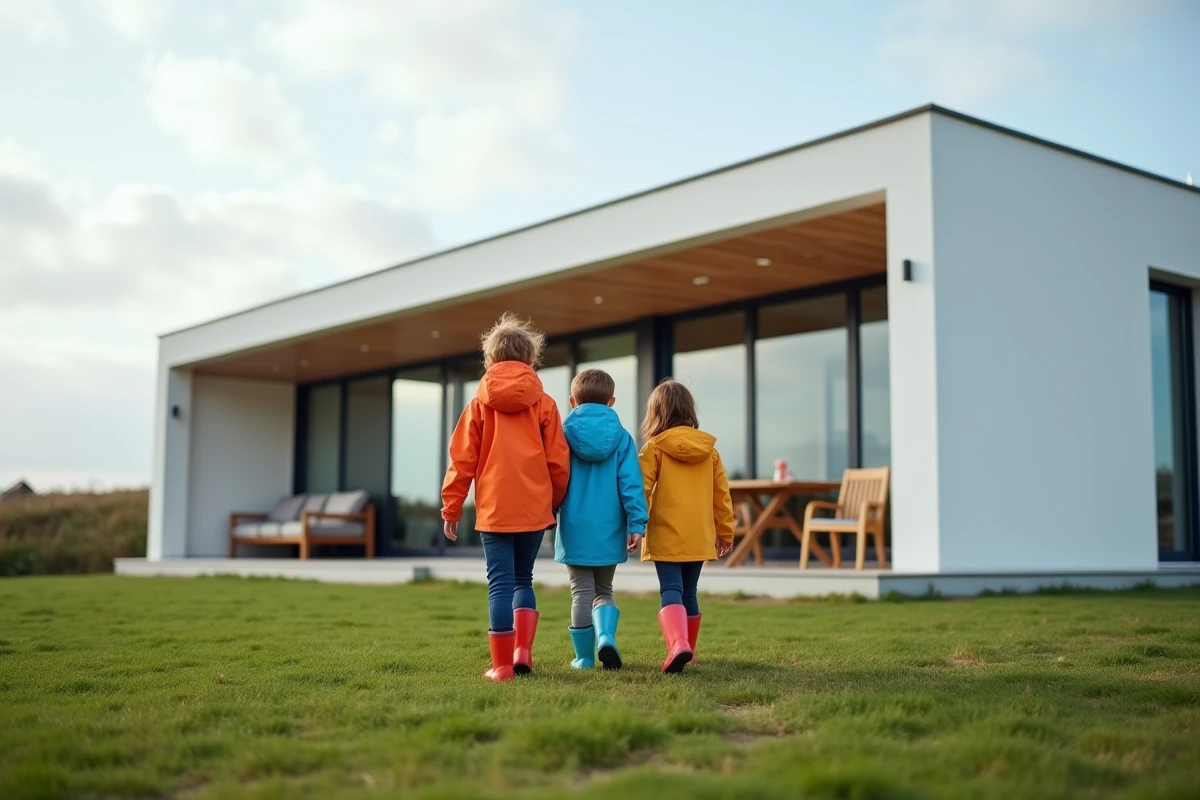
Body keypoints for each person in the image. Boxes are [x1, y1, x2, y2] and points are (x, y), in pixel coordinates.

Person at [441, 314, 570, 682]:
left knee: (500, 583)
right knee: (523, 580)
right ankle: (522, 654)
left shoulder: (479, 405)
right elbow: (558, 460)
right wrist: (555, 500)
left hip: (494, 510)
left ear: (489, 360)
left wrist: (451, 507)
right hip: (534, 508)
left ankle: (501, 667)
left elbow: (461, 460)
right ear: (531, 359)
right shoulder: (544, 403)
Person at [638, 379, 736, 674]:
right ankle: (688, 652)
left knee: (670, 588)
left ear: (656, 413)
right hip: (699, 534)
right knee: (689, 591)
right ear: (689, 410)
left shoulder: (654, 447)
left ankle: (678, 645)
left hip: (667, 533)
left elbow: (640, 489)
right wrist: (725, 531)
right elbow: (722, 497)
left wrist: (636, 524)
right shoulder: (710, 451)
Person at [554, 368, 648, 670]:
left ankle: (583, 658)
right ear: (612, 401)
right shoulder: (622, 438)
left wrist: (548, 511)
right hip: (610, 527)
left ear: (572, 401)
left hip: (573, 526)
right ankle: (606, 636)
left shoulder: (561, 436)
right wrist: (637, 523)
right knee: (604, 590)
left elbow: (554, 478)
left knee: (581, 590)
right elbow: (631, 483)